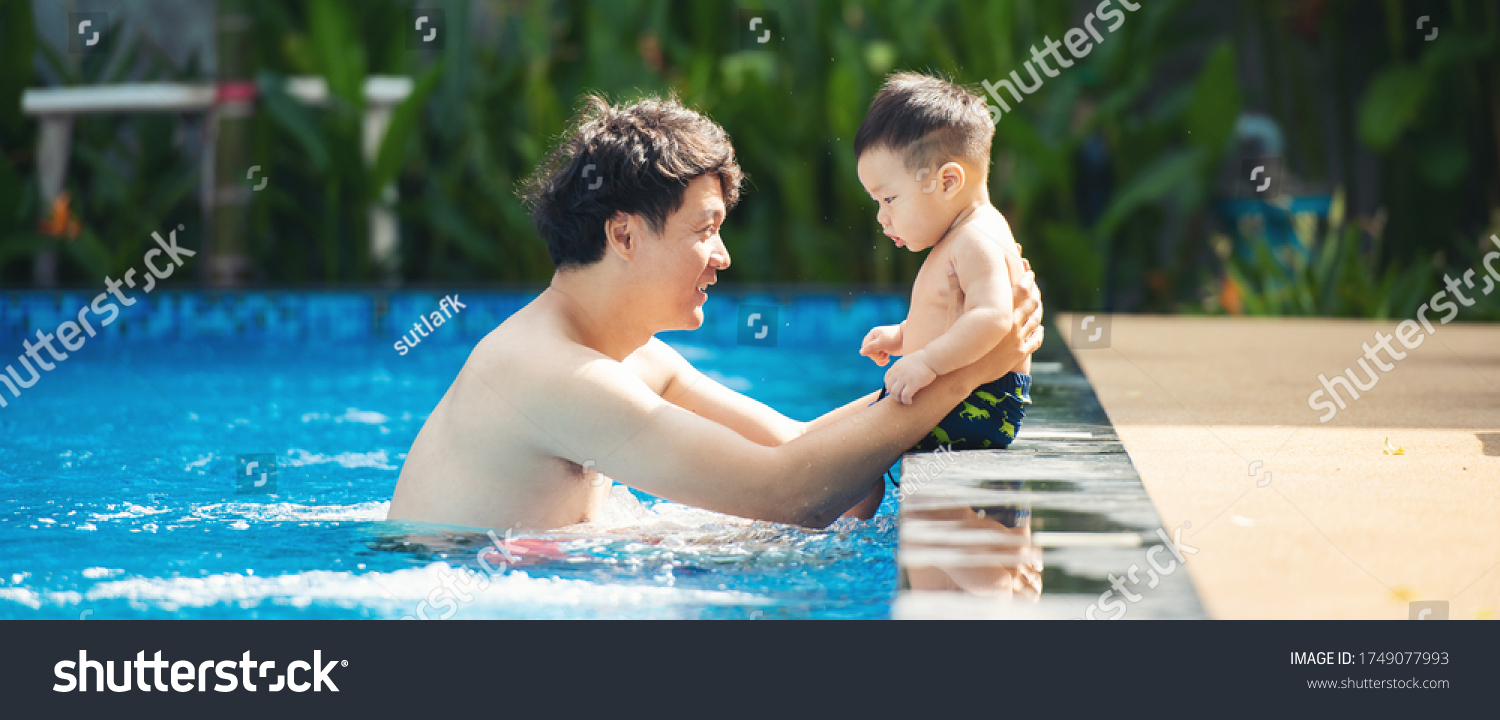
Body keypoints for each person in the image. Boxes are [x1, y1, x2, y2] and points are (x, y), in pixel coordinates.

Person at [386, 93, 1044, 533]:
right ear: (624, 236)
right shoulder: (549, 373)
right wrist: (969, 371)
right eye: (705, 230)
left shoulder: (636, 357)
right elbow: (789, 495)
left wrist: (942, 349)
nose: (724, 257)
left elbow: (816, 465)